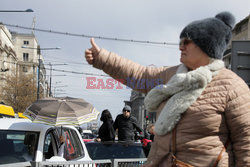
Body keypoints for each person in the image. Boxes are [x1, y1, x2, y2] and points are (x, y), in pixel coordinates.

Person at [85, 11, 250, 166]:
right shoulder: (172, 75)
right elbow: (139, 74)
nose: (180, 47)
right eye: (180, 42)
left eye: (186, 42)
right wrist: (102, 58)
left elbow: (246, 144)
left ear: (206, 47)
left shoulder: (232, 87)